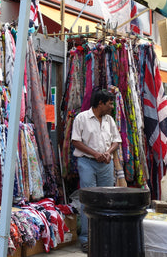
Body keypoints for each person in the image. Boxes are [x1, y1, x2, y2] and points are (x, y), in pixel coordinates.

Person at [71, 89, 122, 253]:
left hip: (106, 164)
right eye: (110, 103)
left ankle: (104, 235)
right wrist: (95, 154)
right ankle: (86, 238)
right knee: (88, 200)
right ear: (100, 103)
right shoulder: (82, 118)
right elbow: (76, 141)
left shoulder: (109, 120)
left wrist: (108, 152)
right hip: (87, 162)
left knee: (106, 199)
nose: (112, 106)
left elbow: (116, 140)